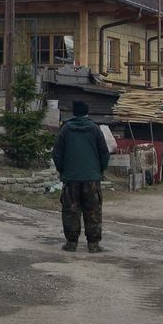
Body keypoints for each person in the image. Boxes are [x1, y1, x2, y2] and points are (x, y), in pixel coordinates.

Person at [52, 100, 110, 253]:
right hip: (91, 178)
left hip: (71, 178)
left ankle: (71, 243)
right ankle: (94, 244)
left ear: (74, 112)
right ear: (87, 112)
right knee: (93, 211)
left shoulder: (65, 129)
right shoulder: (95, 129)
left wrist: (63, 170)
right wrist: (100, 170)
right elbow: (104, 153)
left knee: (71, 211)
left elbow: (57, 153)